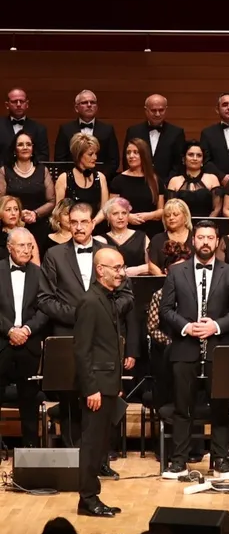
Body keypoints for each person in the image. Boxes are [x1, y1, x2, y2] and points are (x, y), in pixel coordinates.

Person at [157, 221, 229, 478]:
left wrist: (215, 326)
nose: (205, 242)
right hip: (185, 348)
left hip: (218, 349)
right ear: (193, 240)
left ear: (217, 242)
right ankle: (178, 462)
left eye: (210, 237)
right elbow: (165, 310)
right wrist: (187, 327)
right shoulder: (176, 272)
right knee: (182, 407)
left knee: (220, 407)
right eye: (201, 237)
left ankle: (220, 461)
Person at [37, 201, 127, 452]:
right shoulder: (54, 254)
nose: (78, 227)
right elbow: (45, 299)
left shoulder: (110, 251)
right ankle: (73, 459)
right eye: (74, 222)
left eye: (84, 222)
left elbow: (127, 296)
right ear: (67, 223)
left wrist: (100, 313)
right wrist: (82, 316)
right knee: (70, 399)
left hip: (105, 339)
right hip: (68, 335)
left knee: (104, 402)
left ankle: (101, 460)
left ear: (92, 223)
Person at [73, 247, 131, 517]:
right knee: (92, 444)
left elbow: (109, 346)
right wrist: (91, 388)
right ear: (100, 270)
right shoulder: (90, 301)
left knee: (101, 444)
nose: (122, 273)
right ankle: (87, 499)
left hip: (108, 382)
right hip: (96, 386)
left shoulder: (107, 298)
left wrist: (116, 382)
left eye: (122, 267)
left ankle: (92, 496)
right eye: (117, 268)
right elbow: (82, 350)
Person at [0, 227, 48, 449]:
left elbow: (44, 309)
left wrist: (26, 330)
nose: (27, 250)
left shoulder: (39, 273)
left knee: (29, 401)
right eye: (21, 245)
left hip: (29, 345)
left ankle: (30, 449)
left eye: (30, 246)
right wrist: (10, 330)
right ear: (9, 247)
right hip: (2, 343)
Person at [0, 131, 54, 254]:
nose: (25, 147)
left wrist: (35, 213)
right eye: (20, 144)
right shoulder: (4, 171)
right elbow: (1, 200)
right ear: (14, 149)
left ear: (33, 148)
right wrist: (18, 213)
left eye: (28, 144)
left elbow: (51, 201)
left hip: (38, 225)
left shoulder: (43, 170)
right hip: (11, 226)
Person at [110, 138, 164, 237]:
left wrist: (148, 216)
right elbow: (111, 209)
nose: (131, 156)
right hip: (126, 232)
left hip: (152, 232)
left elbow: (161, 210)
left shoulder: (155, 180)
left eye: (136, 152)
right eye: (128, 153)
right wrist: (128, 217)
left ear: (144, 155)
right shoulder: (118, 181)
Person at [56, 133, 109, 225]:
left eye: (95, 154)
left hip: (95, 226)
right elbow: (59, 212)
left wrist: (92, 223)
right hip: (71, 227)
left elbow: (104, 209)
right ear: (79, 155)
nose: (95, 157)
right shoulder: (63, 179)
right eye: (90, 154)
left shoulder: (101, 177)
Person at [165, 141, 221, 218]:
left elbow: (217, 209)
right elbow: (170, 209)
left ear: (203, 160)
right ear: (183, 159)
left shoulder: (212, 179)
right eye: (191, 155)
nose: (195, 158)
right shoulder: (174, 181)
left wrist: (206, 222)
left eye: (199, 155)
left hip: (208, 223)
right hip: (180, 224)